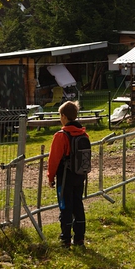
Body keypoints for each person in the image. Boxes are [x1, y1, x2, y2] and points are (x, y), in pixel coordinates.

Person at [47, 100, 89, 248]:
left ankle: (65, 239)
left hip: (65, 177)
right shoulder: (84, 134)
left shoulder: (61, 135)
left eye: (60, 115)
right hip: (79, 175)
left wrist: (50, 177)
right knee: (78, 204)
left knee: (65, 206)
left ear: (64, 116)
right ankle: (79, 238)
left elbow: (54, 159)